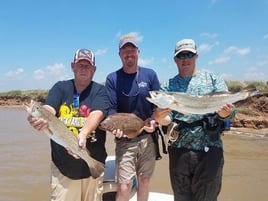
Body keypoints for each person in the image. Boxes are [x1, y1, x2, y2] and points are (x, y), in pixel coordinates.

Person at [153, 39, 236, 201]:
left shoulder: (213, 79)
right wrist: (159, 117)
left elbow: (231, 113)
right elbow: (167, 119)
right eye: (181, 55)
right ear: (175, 59)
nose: (185, 58)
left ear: (196, 56)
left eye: (189, 54)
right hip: (179, 151)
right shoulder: (168, 86)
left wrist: (226, 113)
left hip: (210, 150)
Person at [27, 48, 110, 201]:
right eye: (80, 65)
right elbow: (49, 109)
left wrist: (83, 134)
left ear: (94, 69)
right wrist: (40, 117)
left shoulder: (100, 91)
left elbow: (96, 114)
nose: (83, 69)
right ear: (73, 66)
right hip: (63, 171)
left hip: (92, 170)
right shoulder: (60, 87)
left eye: (87, 65)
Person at [105, 34, 161, 201]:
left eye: (132, 50)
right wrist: (115, 128)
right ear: (119, 54)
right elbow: (111, 109)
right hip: (125, 141)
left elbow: (157, 105)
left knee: (144, 180)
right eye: (125, 51)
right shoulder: (112, 78)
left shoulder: (150, 75)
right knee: (124, 185)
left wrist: (153, 120)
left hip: (148, 138)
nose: (129, 54)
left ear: (138, 52)